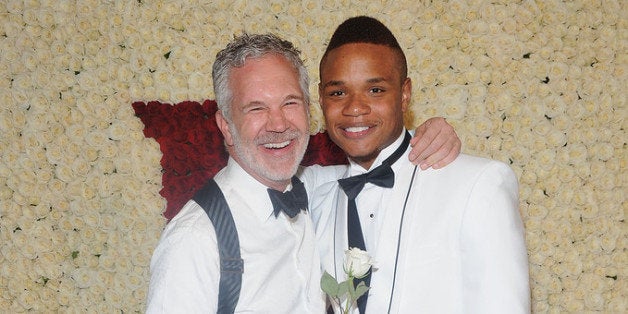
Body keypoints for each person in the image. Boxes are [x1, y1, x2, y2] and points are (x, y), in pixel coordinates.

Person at [146, 34, 460, 313]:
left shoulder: (310, 187)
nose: (279, 124)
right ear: (226, 126)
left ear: (310, 109)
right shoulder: (196, 241)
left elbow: (374, 169)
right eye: (256, 108)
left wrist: (427, 135)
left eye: (290, 103)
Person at [312, 16, 530, 313]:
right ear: (321, 99)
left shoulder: (477, 183)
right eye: (338, 92)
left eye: (375, 90)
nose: (354, 108)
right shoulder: (318, 203)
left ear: (404, 94)